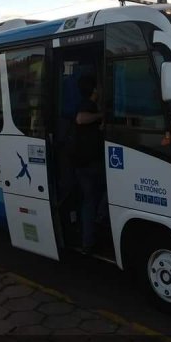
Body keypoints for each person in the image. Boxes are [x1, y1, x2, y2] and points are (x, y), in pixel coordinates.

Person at [74, 75, 105, 254]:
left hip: (85, 163)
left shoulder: (91, 105)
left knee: (89, 200)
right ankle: (91, 235)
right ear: (94, 90)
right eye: (99, 86)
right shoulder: (88, 105)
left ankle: (89, 237)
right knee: (93, 199)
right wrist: (101, 115)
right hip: (89, 164)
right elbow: (80, 118)